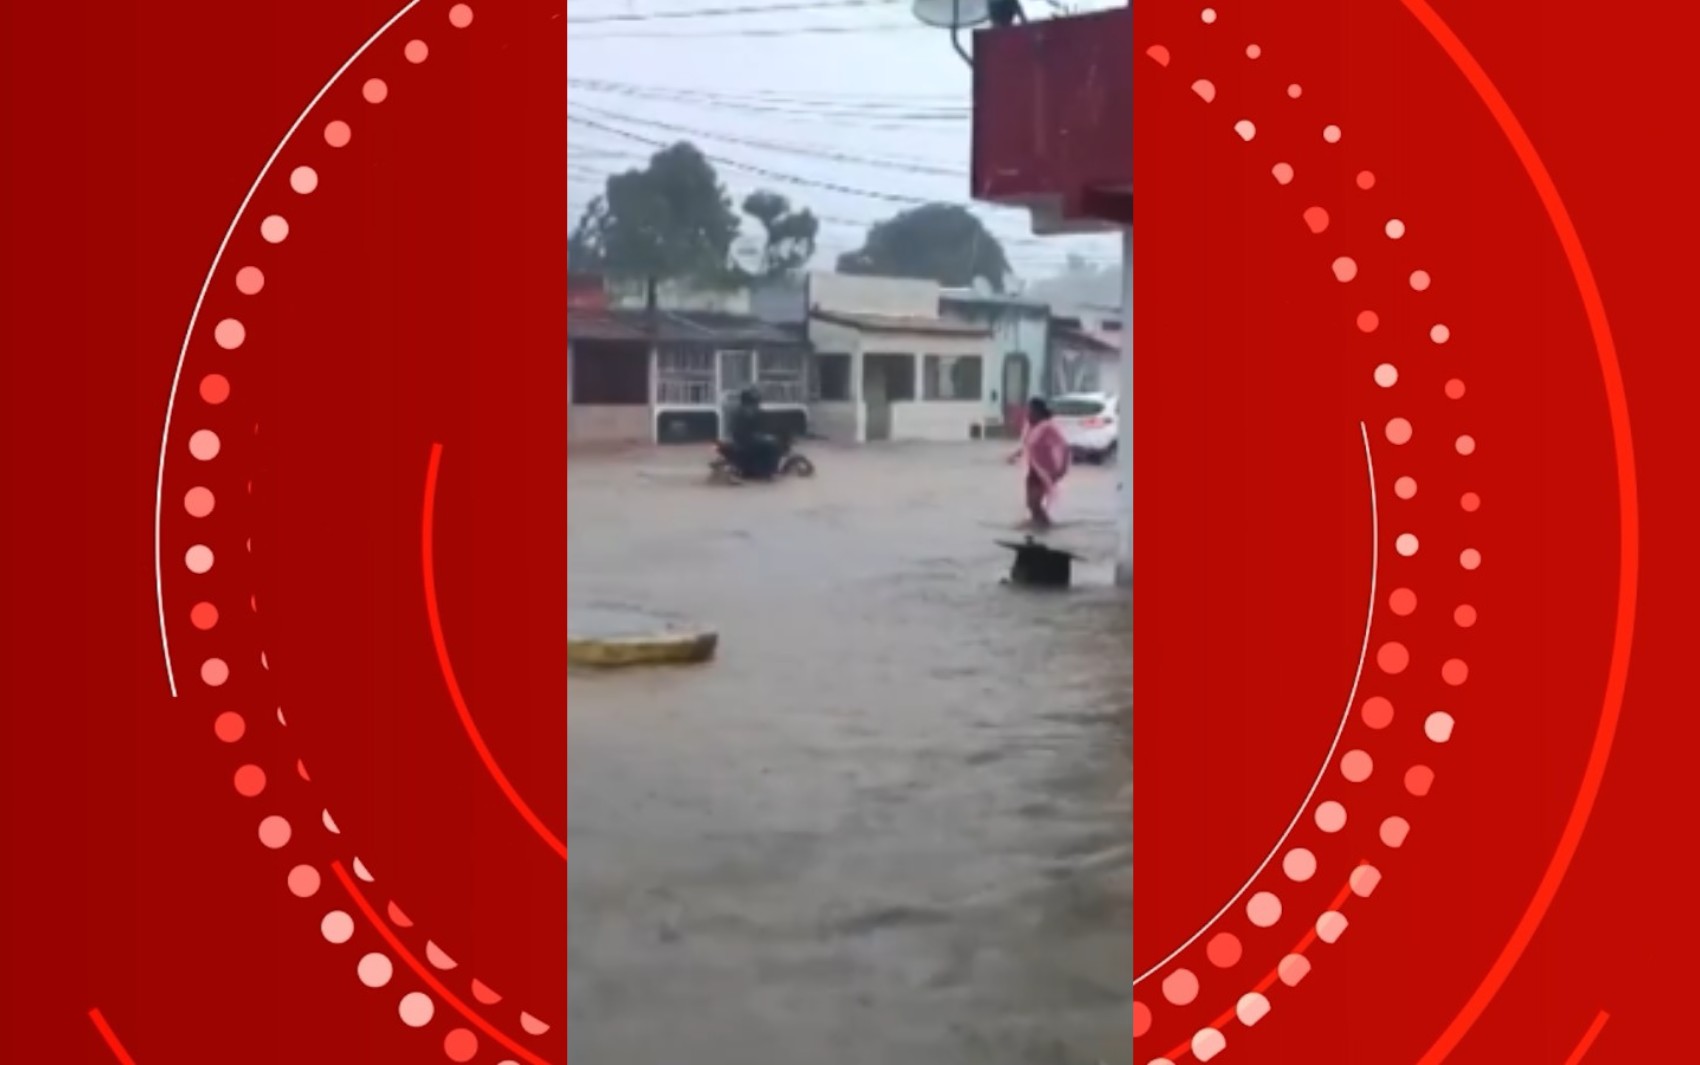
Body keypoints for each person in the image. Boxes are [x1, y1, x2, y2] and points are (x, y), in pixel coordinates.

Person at [1007, 396, 1070, 527]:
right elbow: (1029, 445)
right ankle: (1038, 524)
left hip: (1044, 472)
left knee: (1035, 503)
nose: (1028, 414)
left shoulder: (1048, 427)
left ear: (1038, 412)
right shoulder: (1032, 427)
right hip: (1033, 470)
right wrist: (1015, 455)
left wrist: (1059, 470)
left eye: (1030, 411)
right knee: (1031, 504)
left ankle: (1046, 528)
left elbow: (1063, 446)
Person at [727, 387, 779, 477]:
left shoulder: (741, 410)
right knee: (773, 444)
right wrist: (765, 436)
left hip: (743, 439)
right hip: (746, 440)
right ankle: (769, 471)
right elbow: (752, 429)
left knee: (769, 440)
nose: (757, 404)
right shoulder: (747, 411)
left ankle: (759, 469)